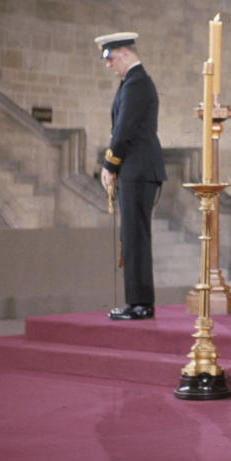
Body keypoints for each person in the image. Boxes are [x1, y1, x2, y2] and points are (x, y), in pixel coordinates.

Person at [95, 32, 167, 320]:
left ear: (125, 53)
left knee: (135, 236)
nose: (109, 65)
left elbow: (123, 129)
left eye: (111, 59)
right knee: (133, 235)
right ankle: (137, 301)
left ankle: (140, 303)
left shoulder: (137, 83)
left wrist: (109, 165)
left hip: (137, 168)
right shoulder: (132, 83)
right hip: (135, 169)